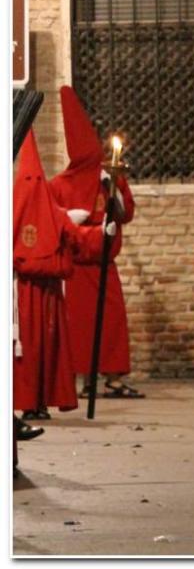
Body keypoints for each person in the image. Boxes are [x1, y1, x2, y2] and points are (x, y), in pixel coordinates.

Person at [48, 86, 142, 399]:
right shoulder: (58, 185)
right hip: (75, 269)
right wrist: (75, 223)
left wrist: (113, 187)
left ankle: (113, 378)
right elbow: (53, 223)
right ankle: (85, 380)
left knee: (111, 322)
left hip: (104, 265)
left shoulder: (109, 179)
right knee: (81, 324)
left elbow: (126, 214)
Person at [13, 130, 107, 425]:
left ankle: (38, 401)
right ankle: (27, 402)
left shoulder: (41, 210)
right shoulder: (22, 208)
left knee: (45, 347)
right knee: (28, 348)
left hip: (45, 292)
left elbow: (77, 236)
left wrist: (102, 233)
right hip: (21, 292)